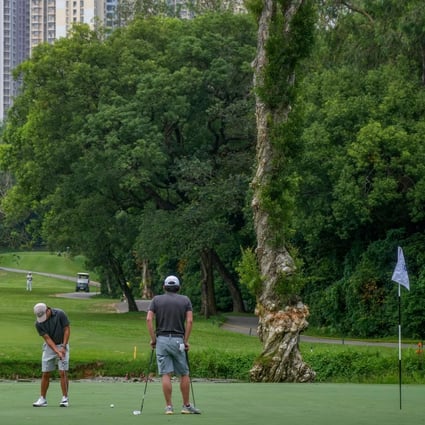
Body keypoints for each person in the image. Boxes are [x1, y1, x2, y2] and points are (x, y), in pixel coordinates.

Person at [146, 275, 201, 415]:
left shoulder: (156, 300)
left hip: (162, 340)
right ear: (178, 287)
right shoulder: (185, 300)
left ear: (164, 287)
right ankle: (186, 406)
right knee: (184, 373)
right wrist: (186, 340)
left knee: (165, 373)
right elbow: (189, 321)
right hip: (178, 341)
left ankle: (169, 407)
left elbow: (148, 319)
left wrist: (153, 339)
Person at [32, 303, 70, 408]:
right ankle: (42, 399)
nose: (42, 319)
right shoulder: (38, 324)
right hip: (49, 347)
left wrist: (63, 347)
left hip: (63, 343)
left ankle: (65, 398)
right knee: (45, 373)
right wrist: (57, 351)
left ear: (48, 310)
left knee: (63, 372)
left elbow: (66, 329)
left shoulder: (60, 314)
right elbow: (47, 339)